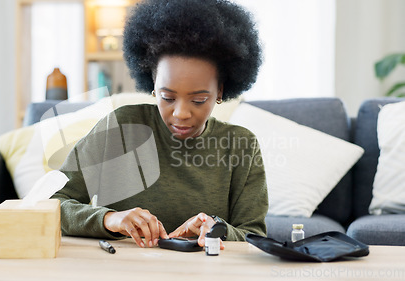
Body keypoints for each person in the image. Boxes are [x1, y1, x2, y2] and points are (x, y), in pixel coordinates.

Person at [52, 0, 267, 249]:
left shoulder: (241, 145)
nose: (181, 113)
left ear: (220, 90)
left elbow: (254, 235)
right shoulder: (121, 128)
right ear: (152, 84)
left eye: (198, 100)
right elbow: (51, 202)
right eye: (168, 97)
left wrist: (217, 228)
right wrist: (110, 218)